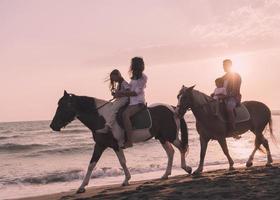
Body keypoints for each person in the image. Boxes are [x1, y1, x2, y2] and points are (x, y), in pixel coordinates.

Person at [121, 57, 148, 148]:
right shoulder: (133, 77)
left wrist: (122, 93)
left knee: (125, 115)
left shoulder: (143, 77)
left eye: (132, 64)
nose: (131, 66)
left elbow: (135, 92)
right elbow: (130, 88)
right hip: (131, 103)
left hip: (139, 103)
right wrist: (122, 81)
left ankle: (129, 141)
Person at [96, 69, 130, 133]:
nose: (114, 80)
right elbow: (120, 93)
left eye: (114, 78)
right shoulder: (119, 84)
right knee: (110, 107)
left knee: (114, 108)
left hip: (124, 99)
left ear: (117, 76)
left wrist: (119, 94)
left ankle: (108, 126)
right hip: (120, 99)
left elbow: (128, 91)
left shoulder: (124, 83)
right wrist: (115, 94)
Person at [221, 59, 242, 131]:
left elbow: (236, 89)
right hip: (222, 98)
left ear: (230, 66)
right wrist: (214, 93)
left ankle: (234, 129)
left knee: (229, 109)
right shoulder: (222, 77)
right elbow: (219, 88)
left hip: (233, 97)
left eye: (225, 65)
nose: (223, 67)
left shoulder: (236, 76)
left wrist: (227, 96)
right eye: (223, 65)